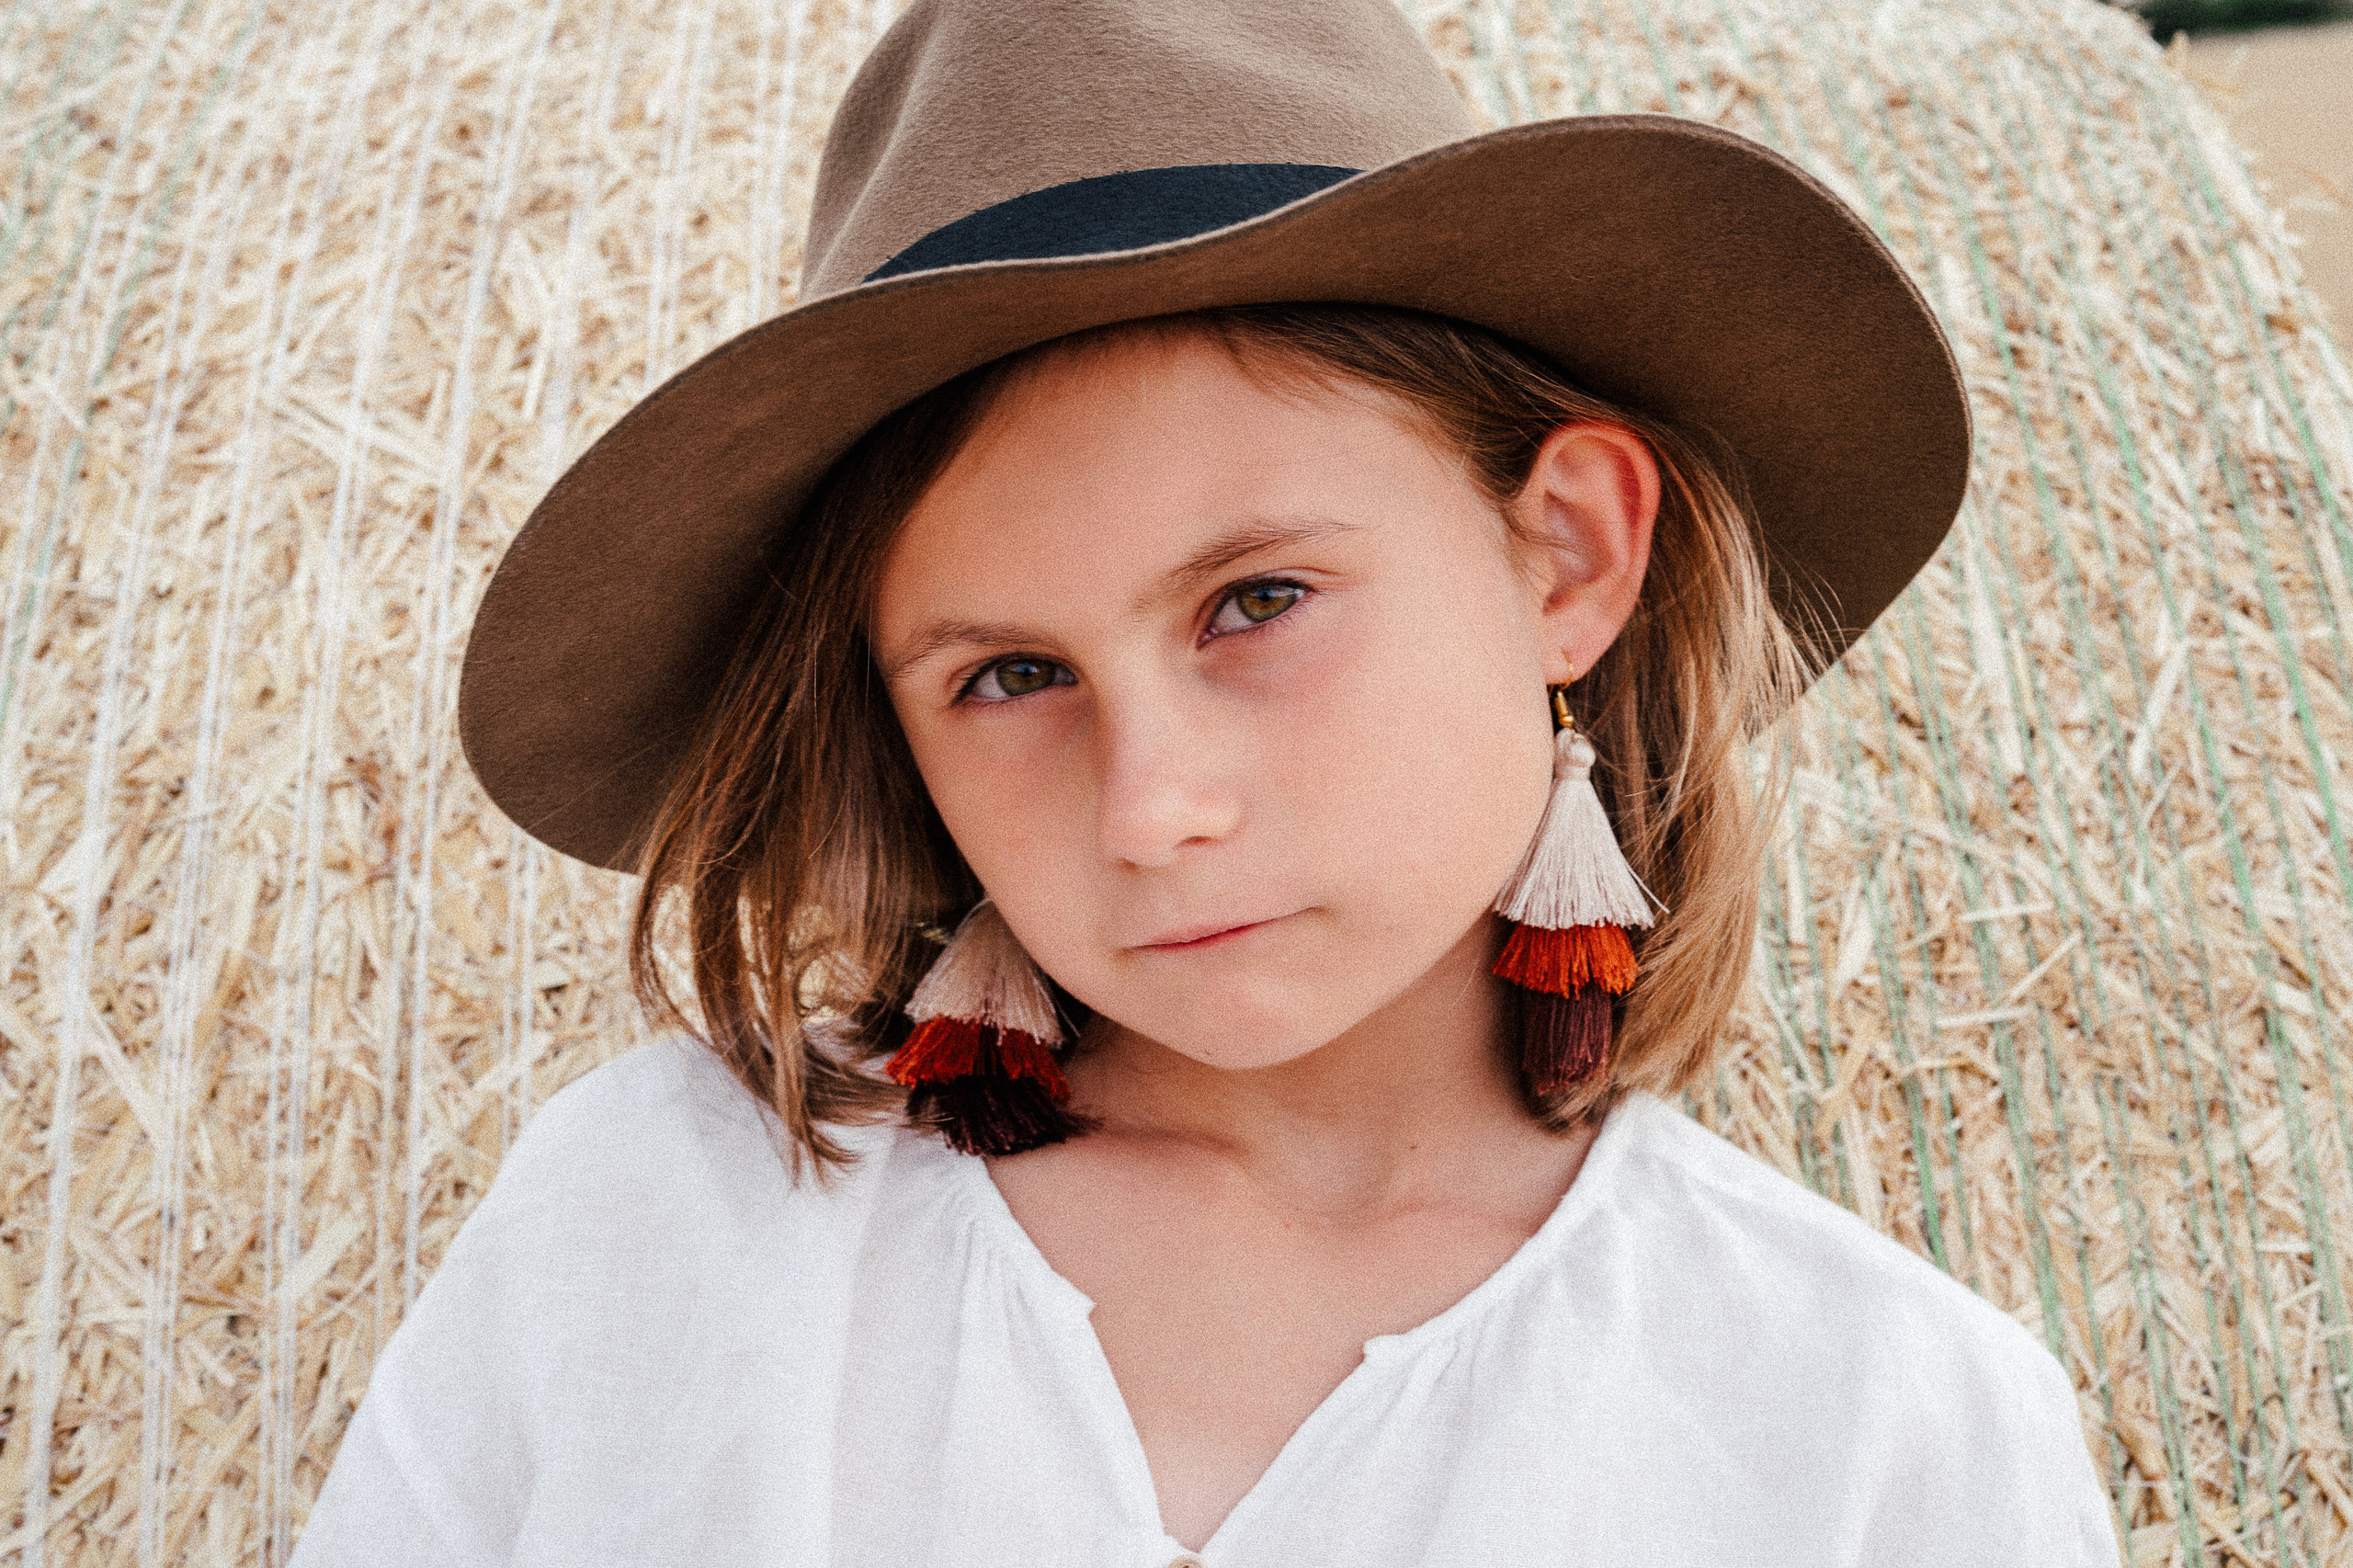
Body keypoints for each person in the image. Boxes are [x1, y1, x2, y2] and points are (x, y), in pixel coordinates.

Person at [292, 0, 2123, 1562]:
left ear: (1565, 553)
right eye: (1007, 673)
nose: (1149, 806)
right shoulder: (649, 1232)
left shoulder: (1886, 1428)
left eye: (1254, 602)